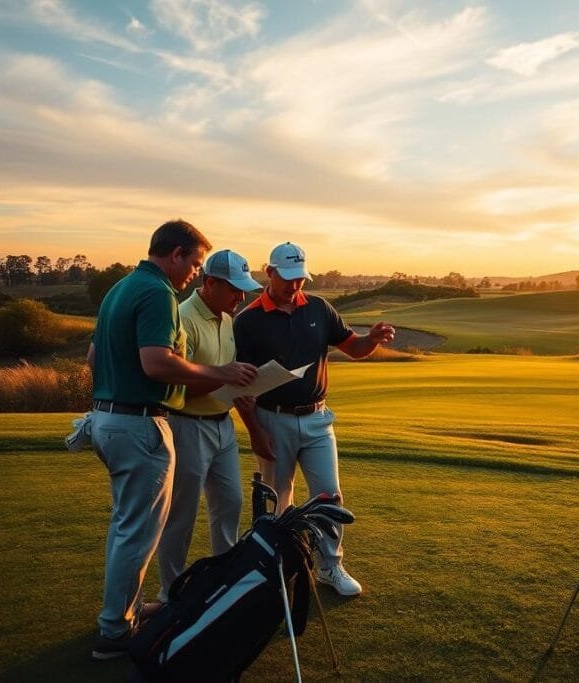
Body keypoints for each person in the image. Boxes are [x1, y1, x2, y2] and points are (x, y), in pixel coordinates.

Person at [87, 220, 258, 660]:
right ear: (176, 253)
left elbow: (93, 354)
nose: (193, 274)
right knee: (138, 533)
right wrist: (219, 373)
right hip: (139, 422)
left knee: (127, 528)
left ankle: (121, 614)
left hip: (108, 417)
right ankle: (114, 633)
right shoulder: (159, 292)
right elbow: (157, 363)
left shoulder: (121, 288)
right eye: (194, 263)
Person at [233, 242, 395, 597]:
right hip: (271, 418)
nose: (294, 286)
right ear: (270, 272)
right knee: (278, 499)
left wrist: (373, 339)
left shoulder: (320, 308)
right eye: (288, 279)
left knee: (329, 495)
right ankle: (276, 569)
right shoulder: (247, 321)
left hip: (318, 419)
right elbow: (241, 386)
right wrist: (256, 433)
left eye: (300, 279)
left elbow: (354, 348)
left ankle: (330, 567)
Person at [156, 249, 273, 603]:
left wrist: (242, 392)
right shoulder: (183, 318)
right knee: (182, 514)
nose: (241, 296)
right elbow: (174, 388)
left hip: (223, 425)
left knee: (231, 504)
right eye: (234, 289)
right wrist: (226, 379)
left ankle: (224, 586)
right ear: (209, 283)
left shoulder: (226, 317)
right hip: (187, 427)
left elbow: (223, 373)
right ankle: (171, 595)